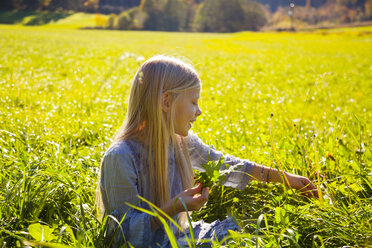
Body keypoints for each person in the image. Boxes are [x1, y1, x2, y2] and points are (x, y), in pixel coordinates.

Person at [98, 55, 318, 247]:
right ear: (166, 101)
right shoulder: (121, 157)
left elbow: (225, 165)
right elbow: (122, 236)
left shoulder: (180, 141)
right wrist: (174, 207)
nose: (199, 111)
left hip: (182, 237)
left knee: (251, 232)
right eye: (193, 102)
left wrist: (283, 177)